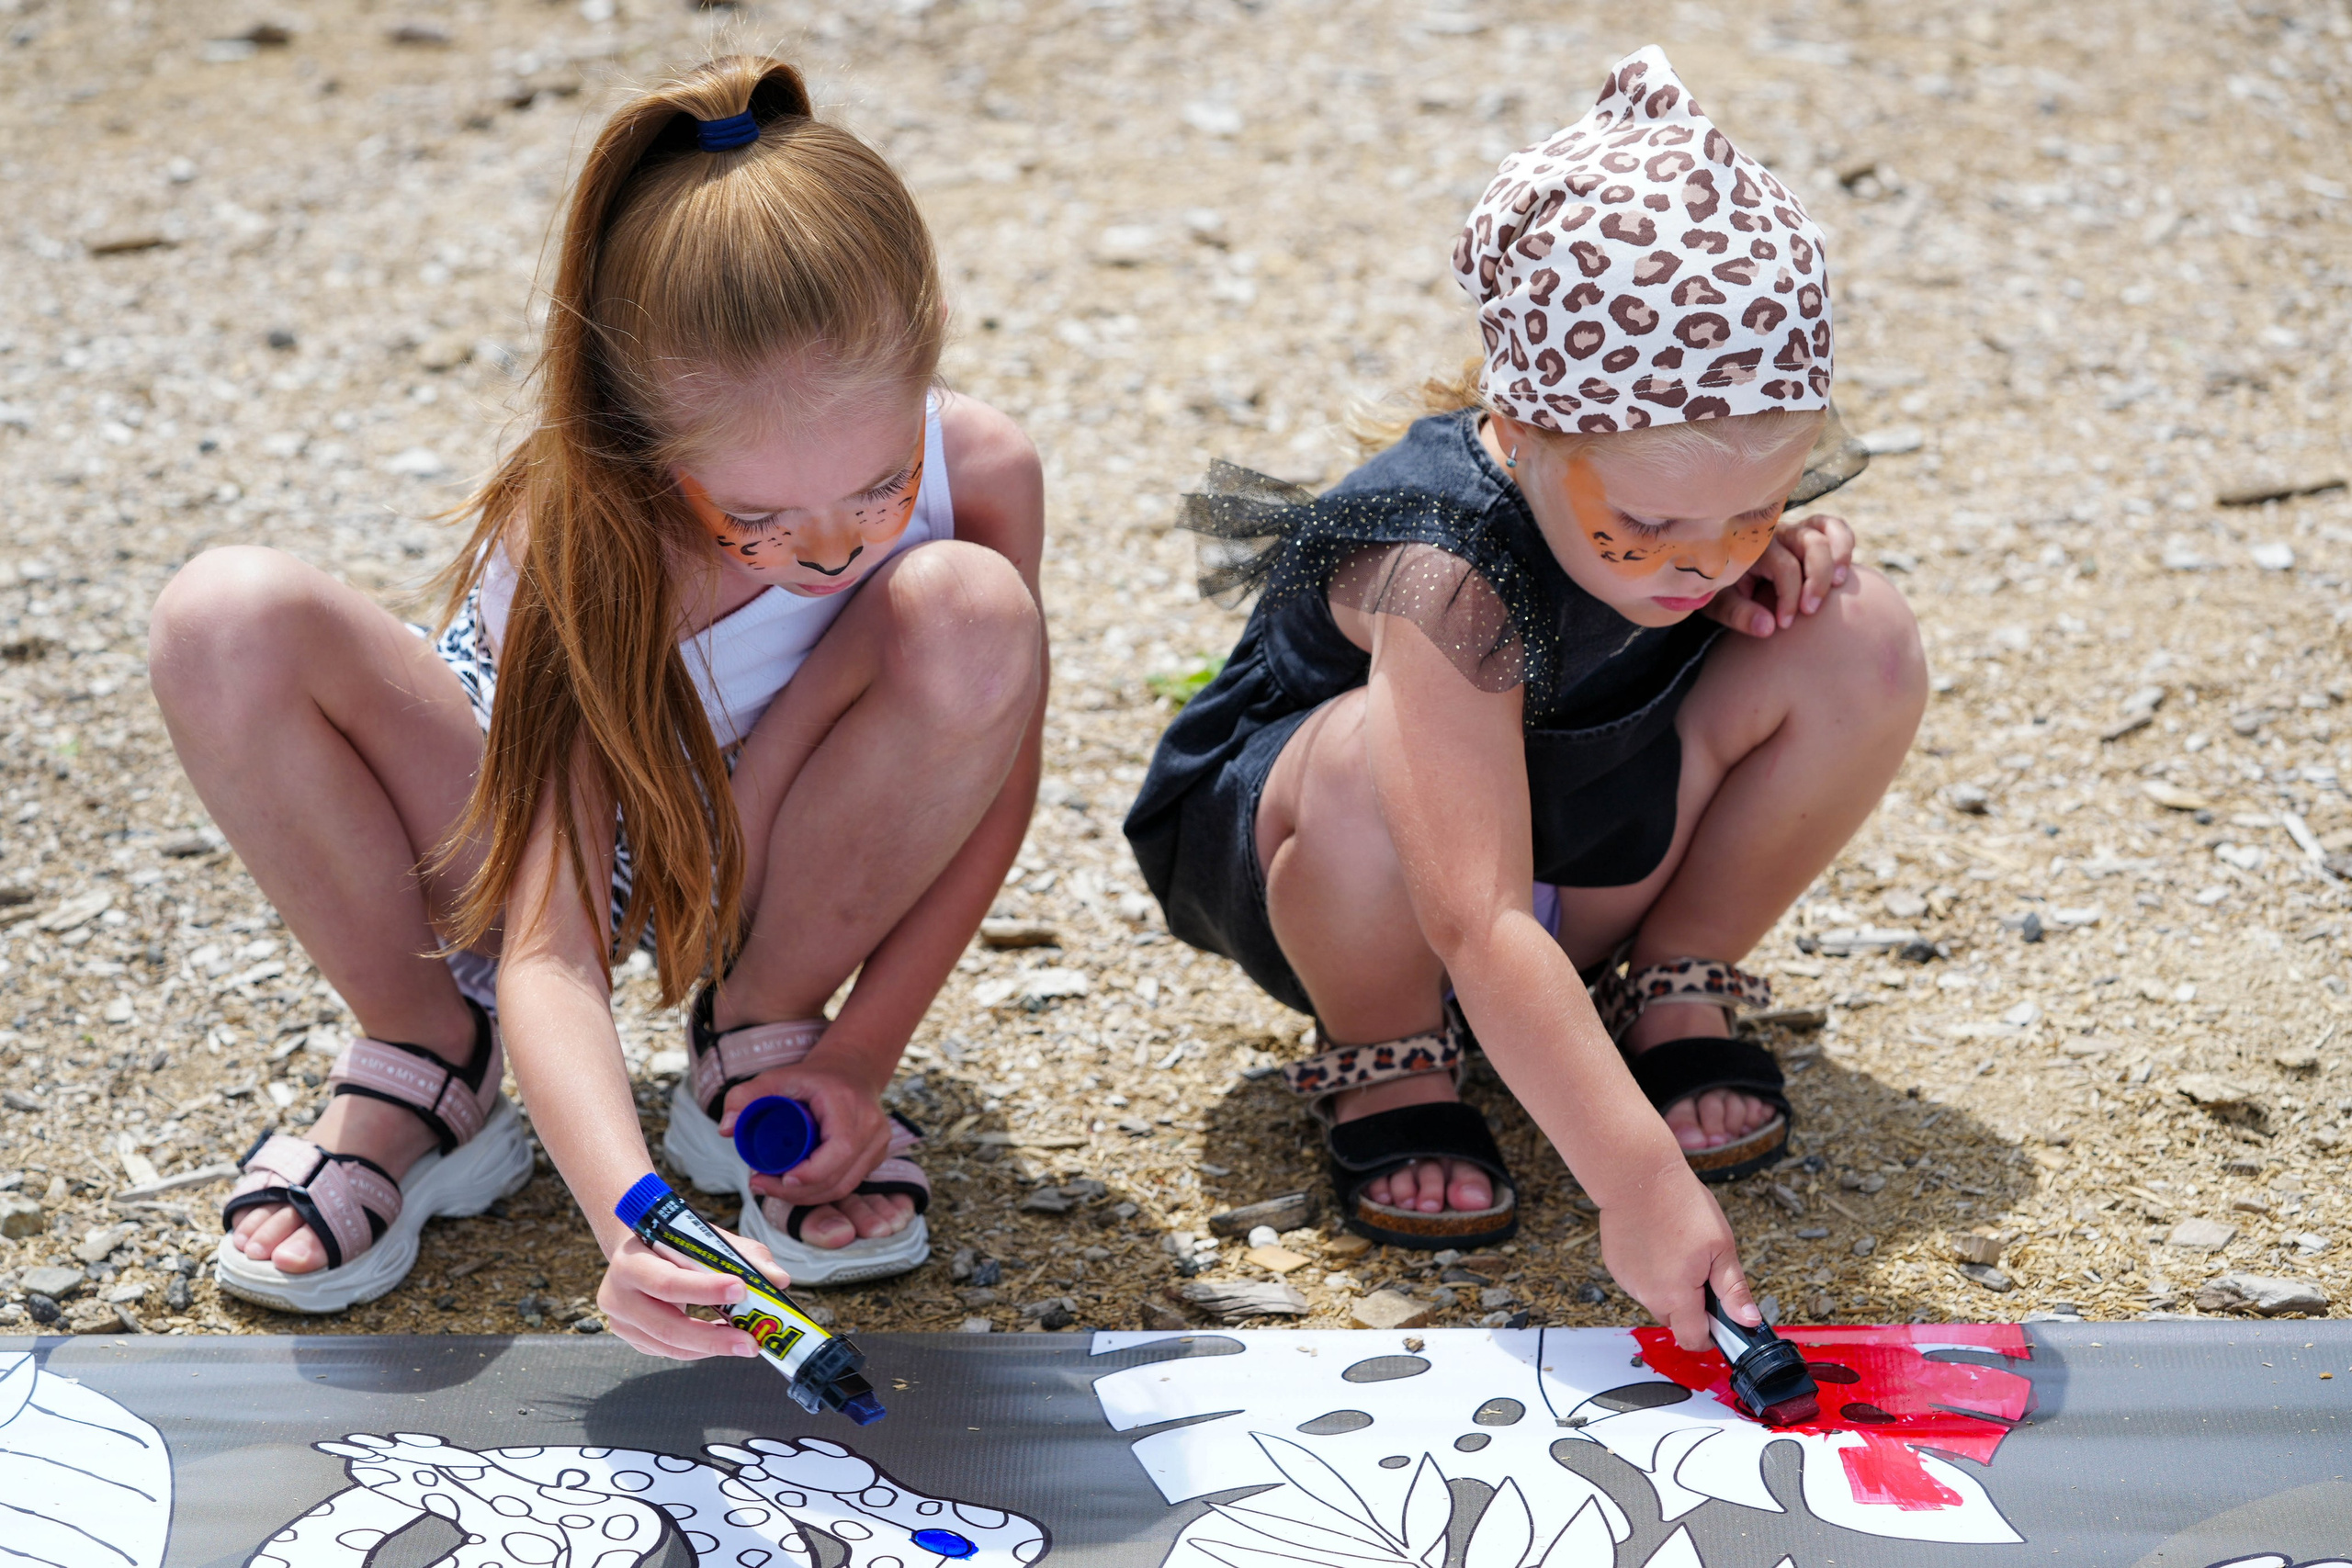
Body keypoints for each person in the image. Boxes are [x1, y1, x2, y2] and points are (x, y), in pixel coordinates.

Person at [148, 55, 1046, 1355]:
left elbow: (996, 779)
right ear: (641, 437)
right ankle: (428, 1055)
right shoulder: (584, 538)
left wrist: (859, 1053)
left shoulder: (988, 472)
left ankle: (764, 1036)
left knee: (971, 615)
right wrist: (631, 1222)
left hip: (772, 848)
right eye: (756, 519)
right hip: (520, 838)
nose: (836, 548)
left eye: (879, 483)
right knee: (222, 617)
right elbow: (552, 949)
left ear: (929, 354)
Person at [1123, 46, 1925, 1347]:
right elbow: (1478, 912)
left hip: (1582, 839)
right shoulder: (1442, 563)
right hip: (1360, 887)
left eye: (1754, 507)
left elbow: (1712, 553)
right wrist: (1638, 1184)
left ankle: (1671, 975)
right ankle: (1388, 1058)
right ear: (1528, 422)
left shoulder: (1689, 516)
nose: (1703, 558)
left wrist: (1748, 566)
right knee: (1365, 770)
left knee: (1860, 632)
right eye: (1654, 523)